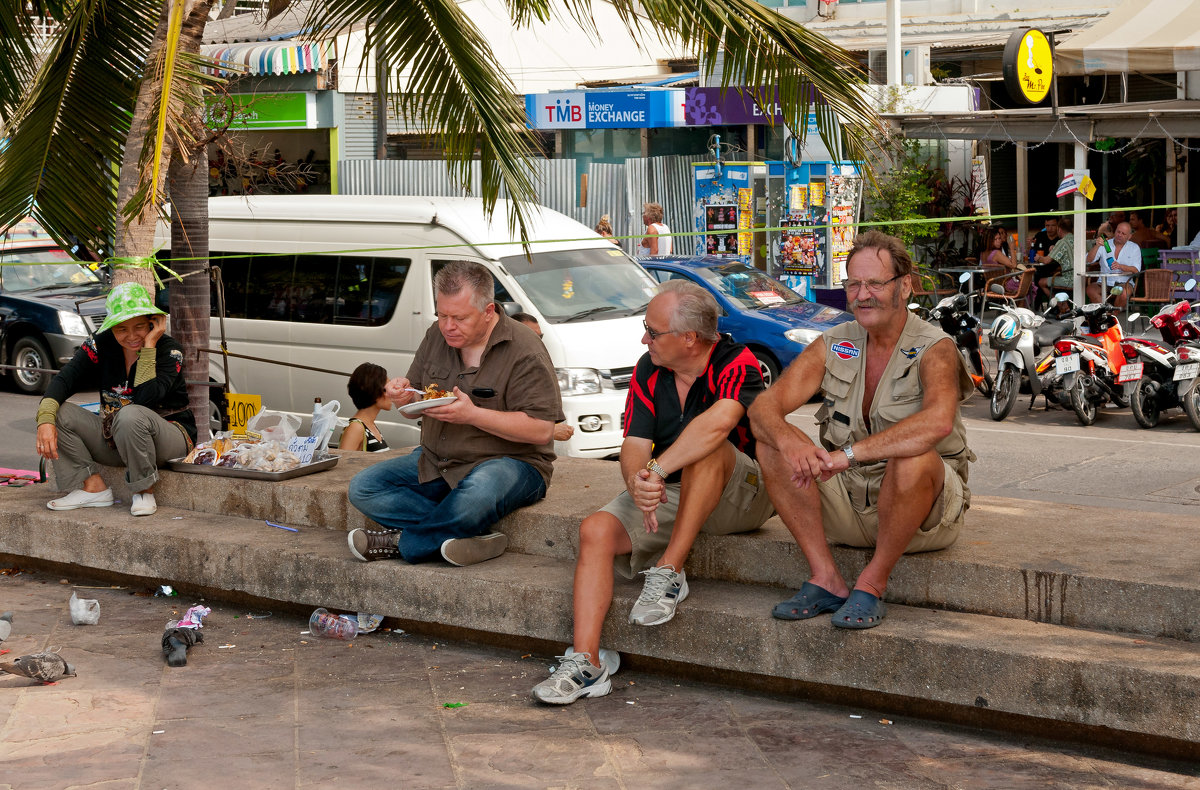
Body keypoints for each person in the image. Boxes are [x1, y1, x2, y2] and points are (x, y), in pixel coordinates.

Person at [530, 280, 774, 705]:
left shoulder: (739, 362)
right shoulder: (649, 367)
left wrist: (657, 469)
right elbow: (635, 443)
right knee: (596, 530)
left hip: (741, 496)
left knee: (707, 450)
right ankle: (586, 662)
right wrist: (638, 484)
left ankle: (670, 571)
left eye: (653, 331)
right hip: (674, 492)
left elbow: (717, 425)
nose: (645, 339)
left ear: (690, 339)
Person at [748, 231, 973, 630]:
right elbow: (765, 406)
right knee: (771, 445)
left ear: (904, 285)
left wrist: (847, 455)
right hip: (849, 497)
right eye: (853, 283)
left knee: (913, 455)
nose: (862, 294)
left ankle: (871, 582)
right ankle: (826, 579)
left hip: (923, 512)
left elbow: (936, 422)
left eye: (874, 283)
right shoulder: (835, 341)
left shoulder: (934, 347)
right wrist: (790, 441)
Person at [344, 260, 563, 567]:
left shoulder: (525, 349)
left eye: (459, 318)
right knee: (364, 487)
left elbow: (541, 429)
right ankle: (467, 536)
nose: (447, 326)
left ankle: (401, 543)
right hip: (438, 460)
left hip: (511, 463)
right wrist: (402, 395)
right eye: (442, 314)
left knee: (479, 491)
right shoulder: (437, 335)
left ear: (488, 312)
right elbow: (414, 400)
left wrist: (473, 415)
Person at [34, 282, 194, 517]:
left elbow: (146, 399)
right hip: (116, 438)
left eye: (139, 327)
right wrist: (45, 421)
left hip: (168, 439)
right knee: (56, 411)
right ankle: (93, 488)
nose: (131, 337)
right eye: (121, 329)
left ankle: (144, 490)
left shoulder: (170, 351)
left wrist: (149, 346)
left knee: (130, 414)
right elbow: (63, 381)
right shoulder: (100, 344)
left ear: (152, 322)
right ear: (111, 328)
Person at [511, 312, 574, 443]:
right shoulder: (506, 366)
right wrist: (549, 431)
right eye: (532, 336)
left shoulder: (535, 362)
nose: (537, 342)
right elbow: (494, 419)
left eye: (540, 337)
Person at [338, 362, 392, 452]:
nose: (392, 393)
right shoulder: (356, 428)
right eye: (388, 388)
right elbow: (343, 463)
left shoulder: (370, 425)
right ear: (375, 390)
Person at [1086, 221, 1141, 308]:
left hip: (1124, 282)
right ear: (1115, 231)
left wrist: (1121, 266)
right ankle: (1106, 313)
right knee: (1091, 290)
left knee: (1124, 293)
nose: (1119, 235)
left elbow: (1136, 270)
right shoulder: (1105, 244)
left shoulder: (1134, 248)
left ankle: (1113, 315)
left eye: (1123, 233)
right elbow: (1088, 261)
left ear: (1129, 237)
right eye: (1118, 232)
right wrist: (1097, 246)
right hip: (1104, 282)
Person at [1032, 216, 1074, 307]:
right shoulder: (1077, 239)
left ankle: (1062, 306)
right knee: (1050, 278)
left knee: (1041, 282)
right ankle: (1061, 307)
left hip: (1069, 279)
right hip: (1080, 277)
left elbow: (1046, 260)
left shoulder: (1062, 242)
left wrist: (1039, 258)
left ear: (1059, 229)